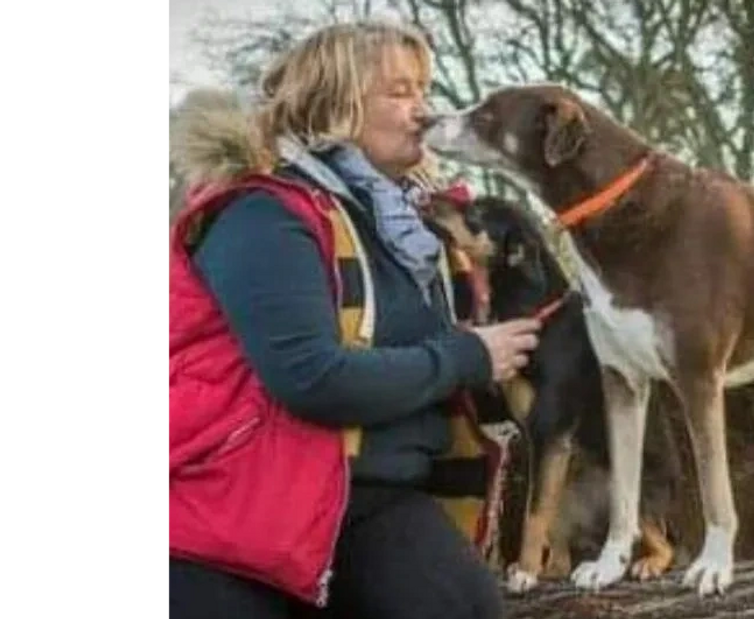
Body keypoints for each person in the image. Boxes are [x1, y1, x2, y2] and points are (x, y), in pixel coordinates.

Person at [166, 19, 541, 619]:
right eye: (399, 92)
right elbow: (310, 378)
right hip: (241, 503)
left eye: (424, 89)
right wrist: (467, 356)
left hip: (373, 496)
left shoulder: (417, 228)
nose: (423, 111)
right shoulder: (264, 213)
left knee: (461, 606)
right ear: (334, 103)